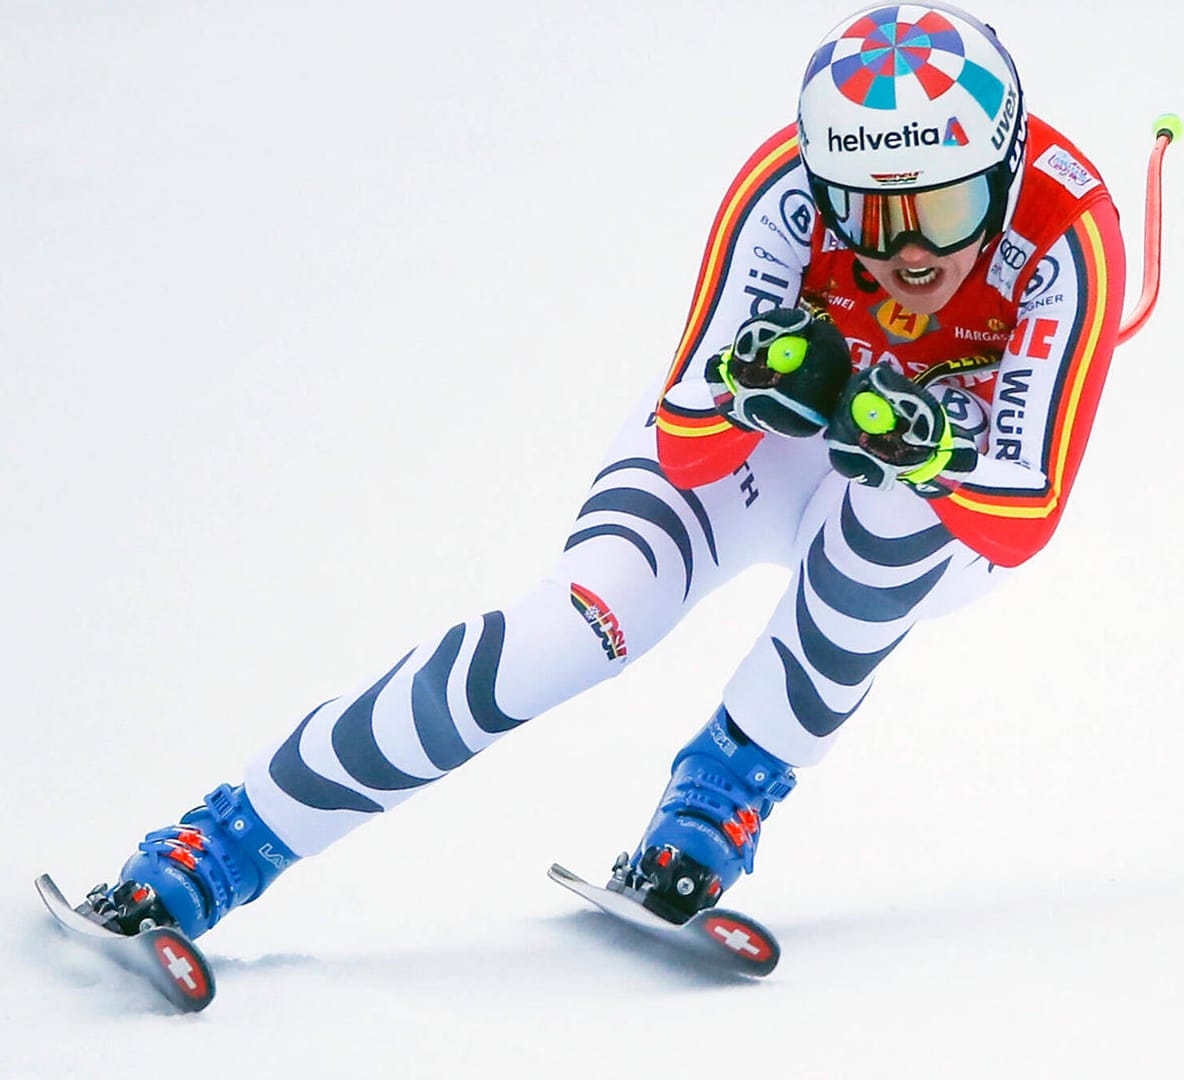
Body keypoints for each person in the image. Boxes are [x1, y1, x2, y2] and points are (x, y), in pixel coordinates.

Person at [78, 2, 1128, 940]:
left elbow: (1022, 515)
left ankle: (717, 799)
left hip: (939, 506)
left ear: (1005, 166)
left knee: (893, 510)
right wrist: (765, 393)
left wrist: (932, 448)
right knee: (566, 636)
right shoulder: (781, 189)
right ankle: (225, 841)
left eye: (943, 213)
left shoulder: (1069, 234)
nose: (908, 259)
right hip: (771, 456)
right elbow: (686, 439)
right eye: (866, 214)